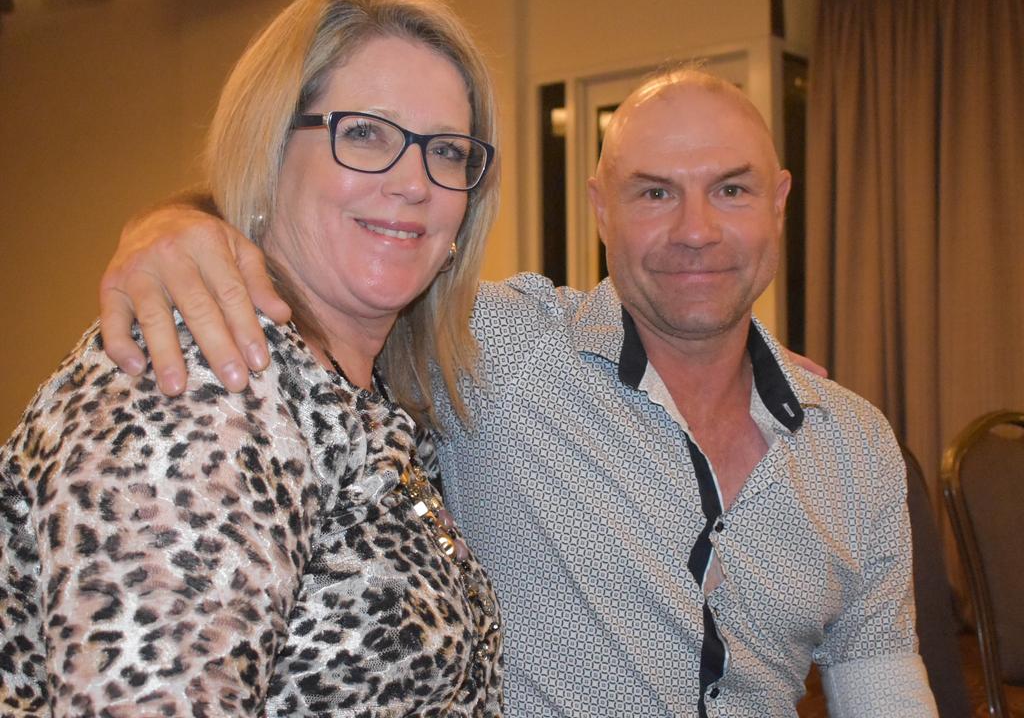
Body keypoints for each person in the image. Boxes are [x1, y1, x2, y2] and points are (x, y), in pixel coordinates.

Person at [97, 70, 938, 717]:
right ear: (601, 209)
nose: (695, 231)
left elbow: (878, 668)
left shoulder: (855, 445)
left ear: (779, 203)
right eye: (654, 193)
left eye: (732, 189)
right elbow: (334, 267)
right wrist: (179, 224)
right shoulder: (491, 350)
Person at [0, 0, 506, 716]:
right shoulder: (207, 378)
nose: (413, 182)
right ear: (270, 151)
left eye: (448, 151)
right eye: (364, 132)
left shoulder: (365, 398)